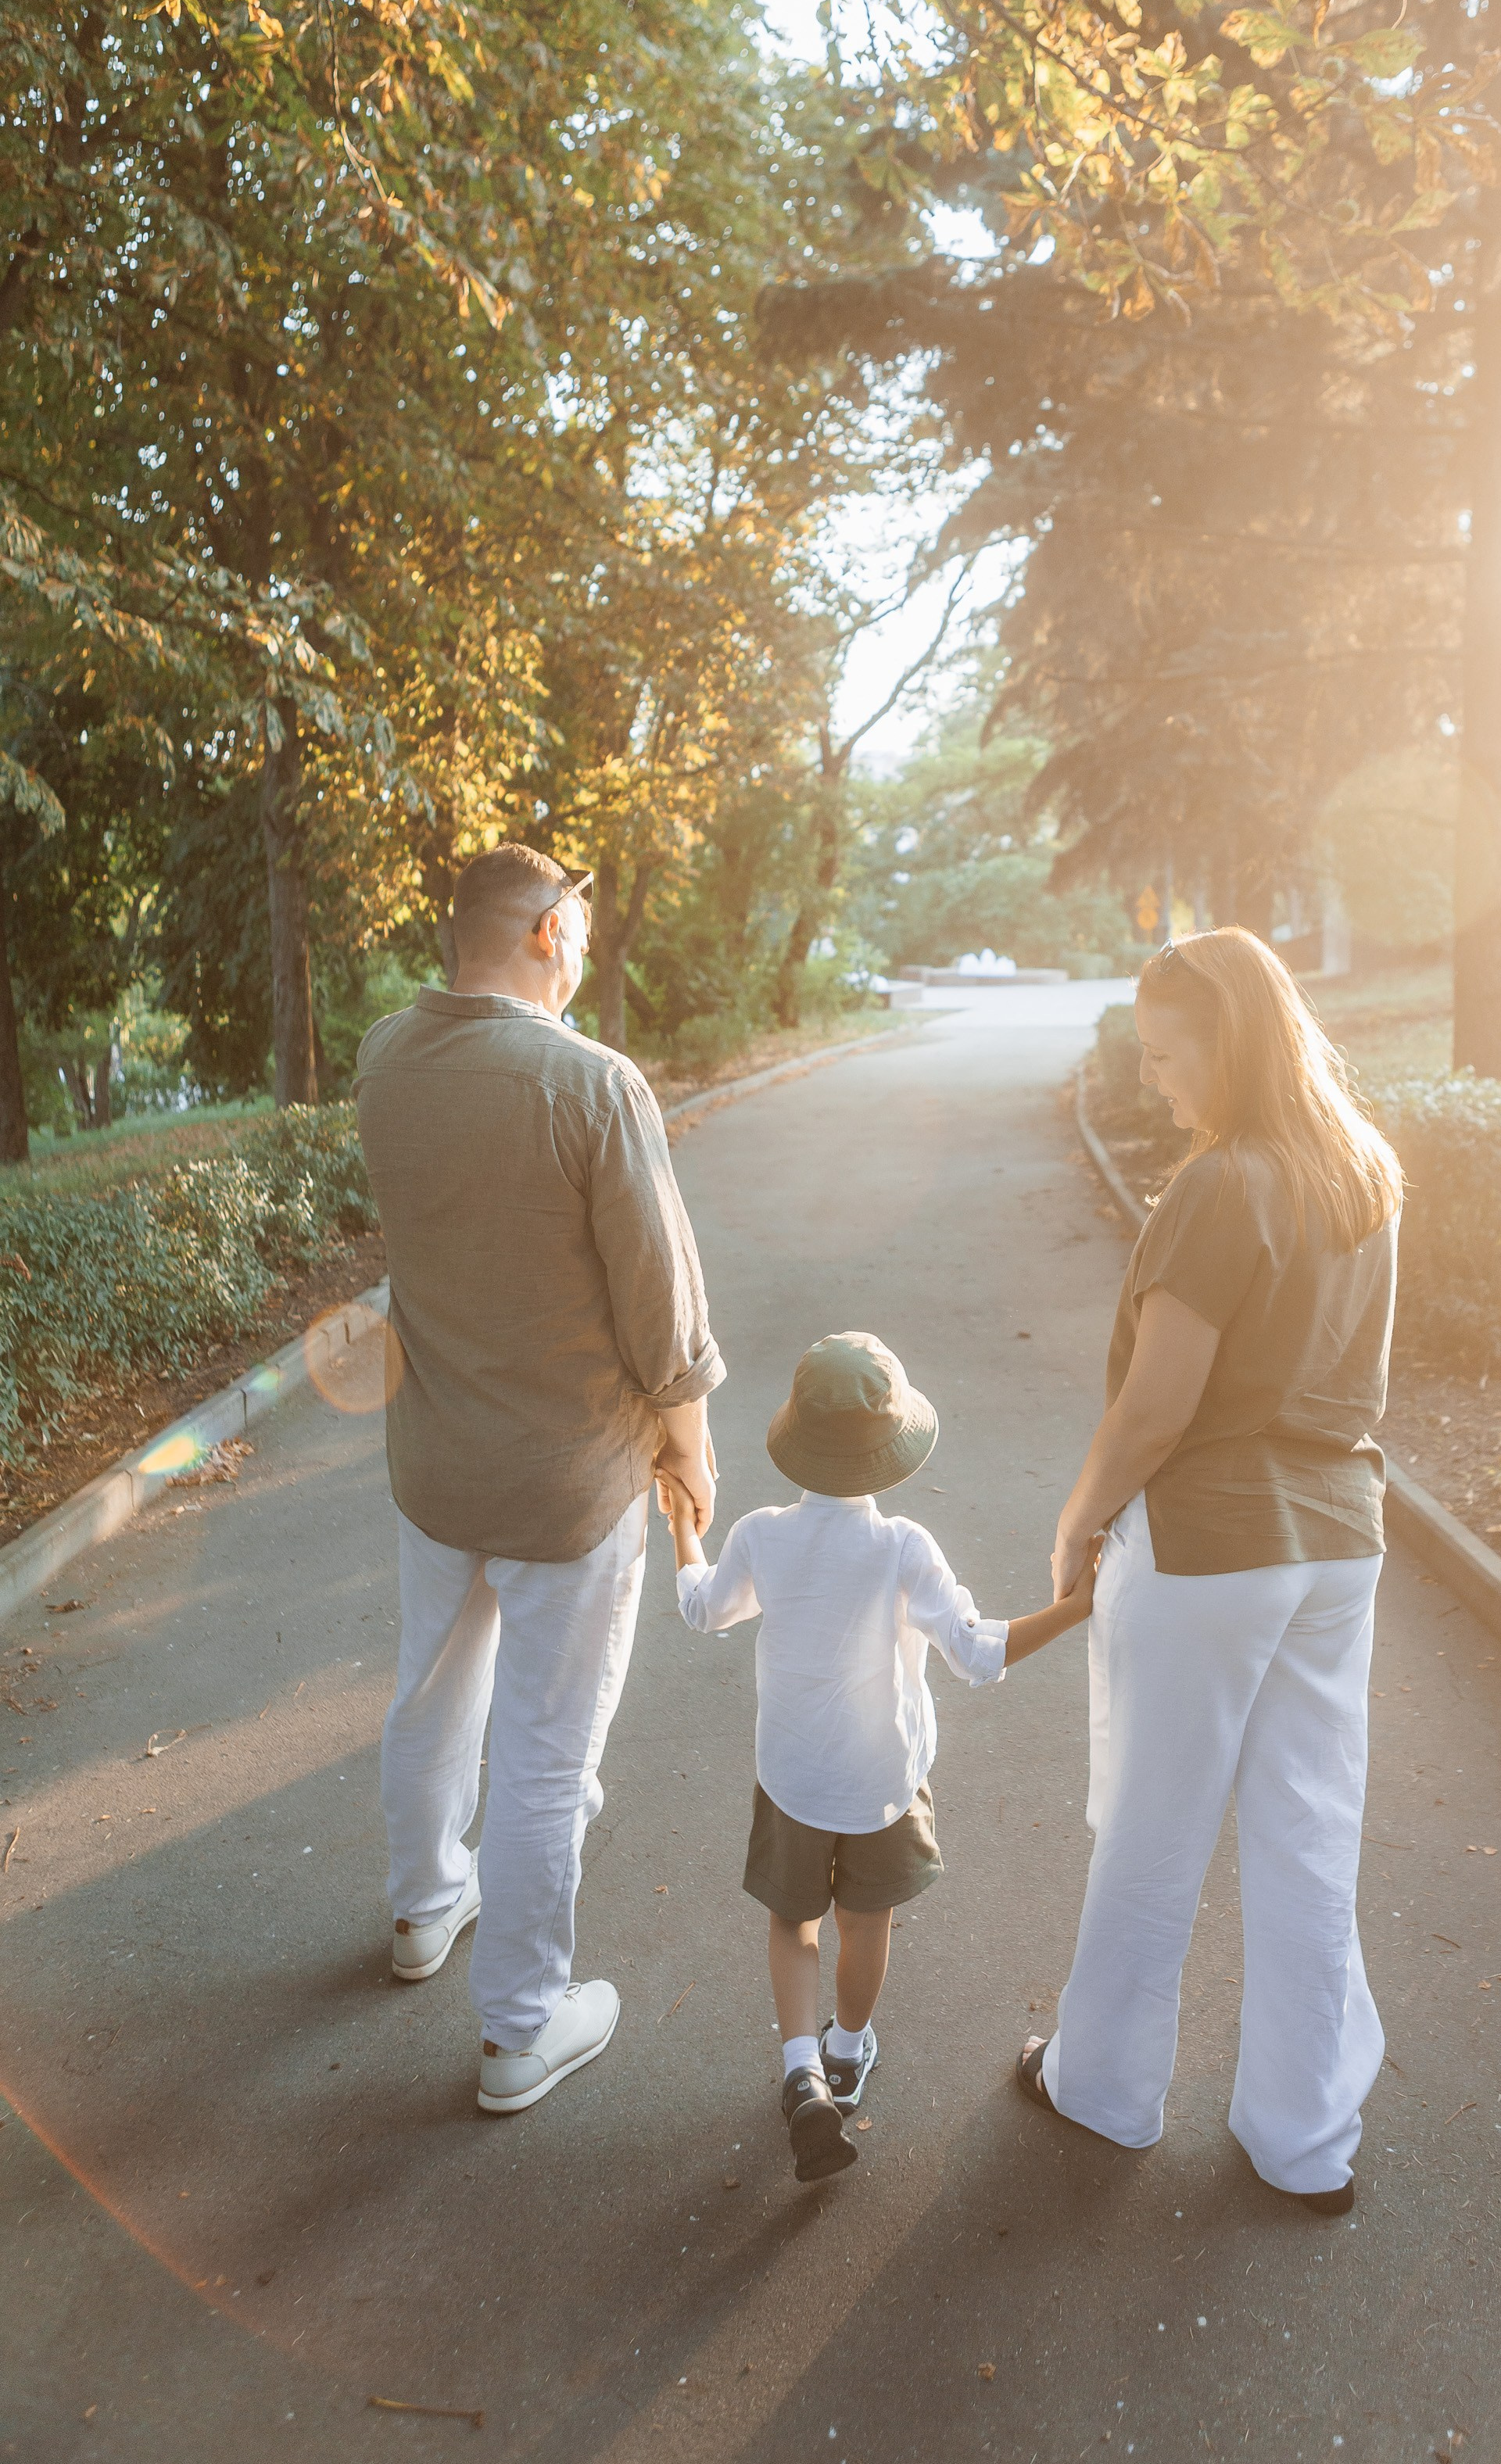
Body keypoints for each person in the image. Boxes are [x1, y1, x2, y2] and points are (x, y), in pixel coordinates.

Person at [1018, 929, 1402, 2214]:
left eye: (1168, 1053)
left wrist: (1078, 1515)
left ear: (1231, 1042)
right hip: (1338, 1544)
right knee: (1308, 1834)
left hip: (1209, 1546)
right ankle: (1306, 2137)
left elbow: (1155, 1410)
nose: (1151, 1080)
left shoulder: (1220, 1185)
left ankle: (1105, 2087)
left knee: (1153, 1822)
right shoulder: (1361, 1168)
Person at [355, 843, 723, 2115]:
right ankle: (520, 2025)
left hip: (434, 1462)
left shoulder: (383, 1058)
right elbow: (660, 1306)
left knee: (429, 1695)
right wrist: (691, 1441)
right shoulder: (591, 1084)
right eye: (576, 925)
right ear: (546, 933)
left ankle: (419, 1910)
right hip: (570, 1482)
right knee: (547, 1755)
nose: (578, 946)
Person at [665, 1331, 1100, 2183]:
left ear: (798, 1438)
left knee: (793, 1925)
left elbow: (703, 1611)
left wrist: (682, 1528)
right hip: (883, 1787)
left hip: (792, 1780)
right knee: (866, 1924)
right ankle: (848, 2049)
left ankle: (801, 2073)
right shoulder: (904, 1547)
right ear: (890, 1452)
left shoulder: (759, 1535)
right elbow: (977, 1657)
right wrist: (1079, 1607)